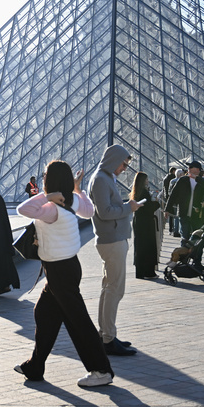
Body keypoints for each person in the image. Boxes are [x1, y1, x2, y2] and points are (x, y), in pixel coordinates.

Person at [14, 160, 114, 388]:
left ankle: (101, 370)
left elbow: (23, 209)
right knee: (44, 314)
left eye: (44, 176)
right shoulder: (73, 201)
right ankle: (35, 366)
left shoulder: (50, 209)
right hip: (68, 266)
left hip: (59, 270)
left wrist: (47, 197)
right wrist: (76, 189)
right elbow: (89, 212)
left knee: (78, 321)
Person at [88, 145, 141, 357]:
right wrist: (130, 207)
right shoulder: (101, 179)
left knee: (108, 288)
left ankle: (106, 334)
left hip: (112, 239)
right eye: (123, 164)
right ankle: (108, 339)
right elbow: (105, 212)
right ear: (114, 159)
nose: (124, 168)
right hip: (112, 241)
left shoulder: (105, 177)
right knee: (115, 290)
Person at [130, 172, 161, 279]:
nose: (148, 181)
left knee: (140, 246)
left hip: (138, 222)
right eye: (146, 179)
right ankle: (149, 272)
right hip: (146, 223)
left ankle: (140, 272)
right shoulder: (144, 192)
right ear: (143, 181)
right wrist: (157, 203)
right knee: (149, 246)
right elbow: (149, 209)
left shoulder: (136, 192)